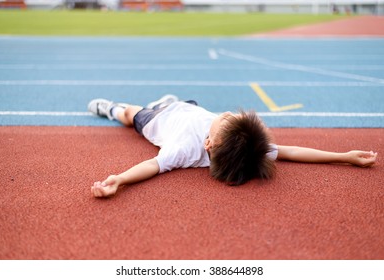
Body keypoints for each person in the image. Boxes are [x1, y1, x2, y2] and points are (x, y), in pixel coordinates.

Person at [88, 95, 378, 198]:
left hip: (160, 120)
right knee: (187, 102)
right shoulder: (244, 144)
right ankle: (165, 99)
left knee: (130, 115)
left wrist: (120, 180)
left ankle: (110, 108)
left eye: (225, 119)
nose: (227, 114)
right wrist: (344, 157)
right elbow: (291, 151)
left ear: (208, 143)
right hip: (190, 109)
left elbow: (151, 166)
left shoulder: (180, 149)